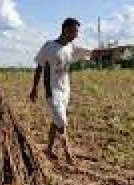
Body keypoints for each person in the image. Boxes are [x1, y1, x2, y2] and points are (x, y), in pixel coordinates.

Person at [29, 18, 92, 165]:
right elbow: (39, 67)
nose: (76, 35)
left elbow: (92, 52)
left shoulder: (71, 48)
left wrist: (114, 50)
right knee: (62, 121)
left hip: (65, 89)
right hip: (52, 90)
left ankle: (49, 149)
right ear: (66, 30)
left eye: (77, 32)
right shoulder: (49, 46)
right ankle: (68, 152)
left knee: (56, 120)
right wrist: (34, 88)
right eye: (75, 31)